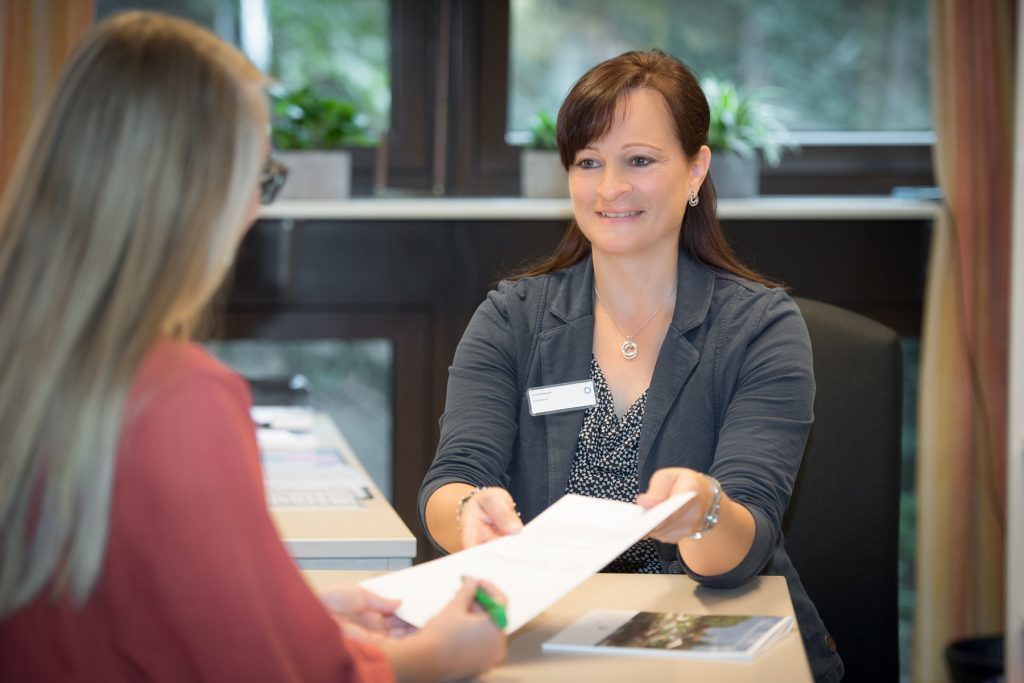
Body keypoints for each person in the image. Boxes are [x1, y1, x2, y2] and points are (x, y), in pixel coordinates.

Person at [0, 12, 505, 682]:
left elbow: (127, 603)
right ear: (197, 188)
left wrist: (303, 611)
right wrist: (441, 653)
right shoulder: (180, 398)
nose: (254, 211)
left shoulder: (33, 357)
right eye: (259, 179)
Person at [418, 49, 842, 683]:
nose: (610, 188)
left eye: (639, 160)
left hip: (710, 645)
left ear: (696, 169)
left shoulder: (760, 329)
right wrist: (467, 514)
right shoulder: (513, 318)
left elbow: (738, 551)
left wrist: (705, 510)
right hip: (549, 644)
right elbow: (451, 480)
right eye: (589, 163)